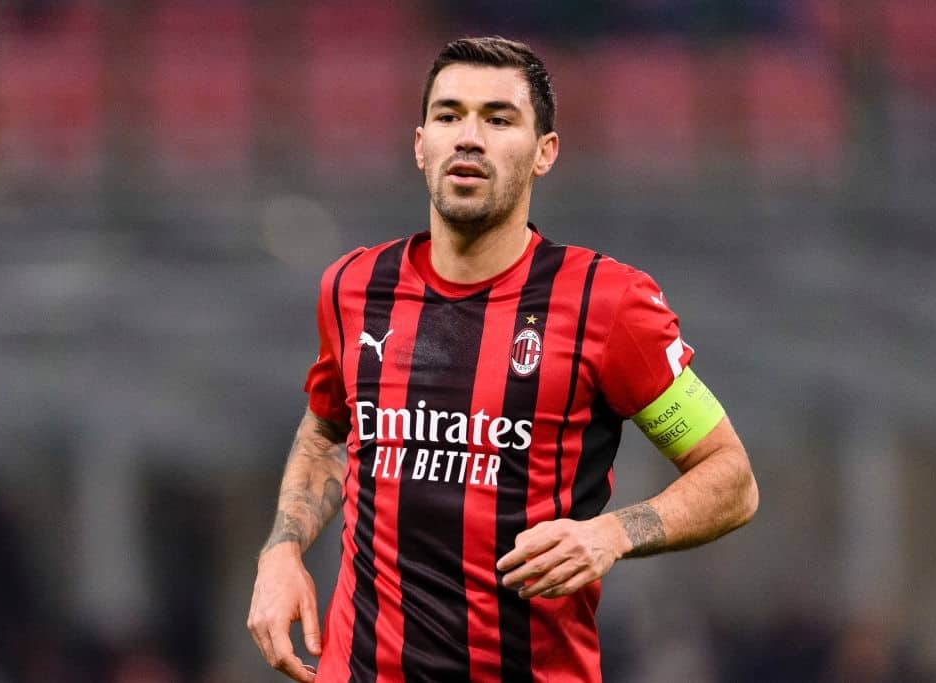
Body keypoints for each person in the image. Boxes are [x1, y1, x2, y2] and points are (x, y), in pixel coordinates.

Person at [247, 36, 758, 683]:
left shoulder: (609, 304)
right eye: (449, 115)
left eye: (498, 119)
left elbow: (731, 477)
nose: (468, 136)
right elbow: (327, 425)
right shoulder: (353, 287)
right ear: (419, 143)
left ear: (545, 152)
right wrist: (282, 547)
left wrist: (612, 534)